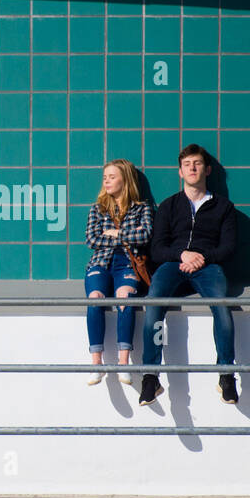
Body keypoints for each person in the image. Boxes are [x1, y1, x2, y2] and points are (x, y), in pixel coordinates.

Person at [138, 143, 238, 406]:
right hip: (174, 264)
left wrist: (202, 258)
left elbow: (228, 247)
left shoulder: (224, 207)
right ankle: (150, 375)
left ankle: (226, 374)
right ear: (180, 172)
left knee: (222, 306)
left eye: (197, 164)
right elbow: (157, 248)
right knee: (154, 302)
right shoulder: (169, 206)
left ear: (207, 170)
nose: (192, 168)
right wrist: (182, 254)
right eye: (187, 165)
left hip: (208, 266)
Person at [83, 159, 152, 385]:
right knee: (95, 299)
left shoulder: (142, 208)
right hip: (100, 263)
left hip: (127, 263)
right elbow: (92, 239)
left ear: (125, 179)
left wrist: (115, 233)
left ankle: (124, 363)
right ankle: (97, 364)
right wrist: (127, 234)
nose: (107, 181)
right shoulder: (97, 209)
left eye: (112, 177)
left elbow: (146, 235)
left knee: (126, 298)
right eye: (105, 178)